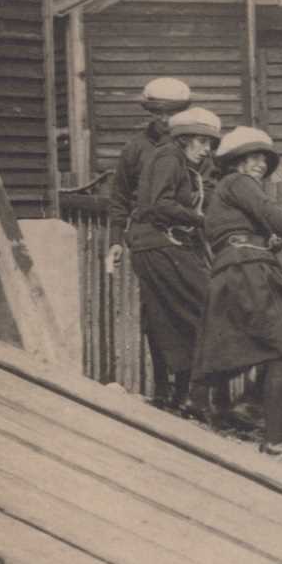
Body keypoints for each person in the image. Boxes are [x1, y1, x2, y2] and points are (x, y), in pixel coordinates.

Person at [192, 126, 282, 458]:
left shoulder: (225, 192)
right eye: (250, 157)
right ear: (234, 163)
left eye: (262, 158)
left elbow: (231, 231)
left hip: (241, 267)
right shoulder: (238, 183)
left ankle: (247, 405)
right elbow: (269, 212)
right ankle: (274, 436)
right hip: (248, 270)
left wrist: (265, 239)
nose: (258, 163)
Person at [128, 106, 223, 417]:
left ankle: (179, 397)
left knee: (172, 319)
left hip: (157, 244)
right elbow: (159, 203)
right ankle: (192, 396)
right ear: (185, 139)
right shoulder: (170, 157)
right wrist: (198, 220)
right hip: (157, 244)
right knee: (208, 306)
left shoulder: (182, 163)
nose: (207, 151)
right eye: (204, 143)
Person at [107, 77, 191, 406]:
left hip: (187, 242)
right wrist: (115, 239)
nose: (166, 120)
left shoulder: (193, 147)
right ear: (149, 112)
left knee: (188, 312)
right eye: (159, 113)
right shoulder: (136, 149)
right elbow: (119, 198)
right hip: (150, 242)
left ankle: (187, 392)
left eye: (173, 113)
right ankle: (162, 389)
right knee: (155, 315)